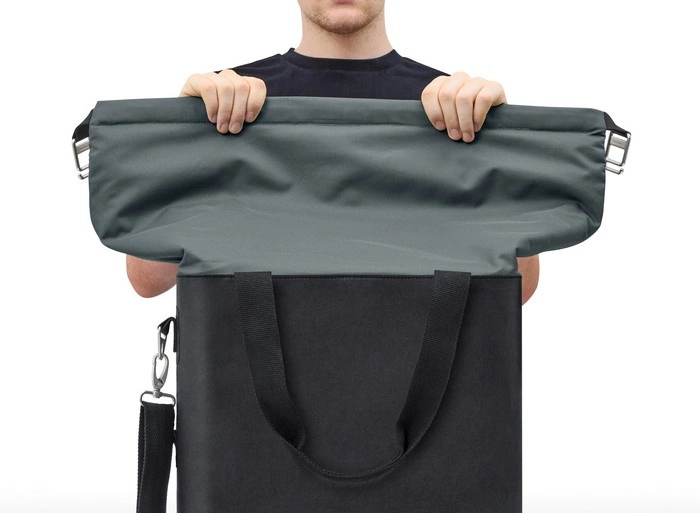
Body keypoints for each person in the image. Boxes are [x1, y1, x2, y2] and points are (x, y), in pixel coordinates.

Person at [126, 0, 539, 302]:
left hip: (428, 375)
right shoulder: (227, 102)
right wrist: (184, 137)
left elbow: (517, 287)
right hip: (240, 383)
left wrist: (498, 149)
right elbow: (149, 278)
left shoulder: (454, 105)